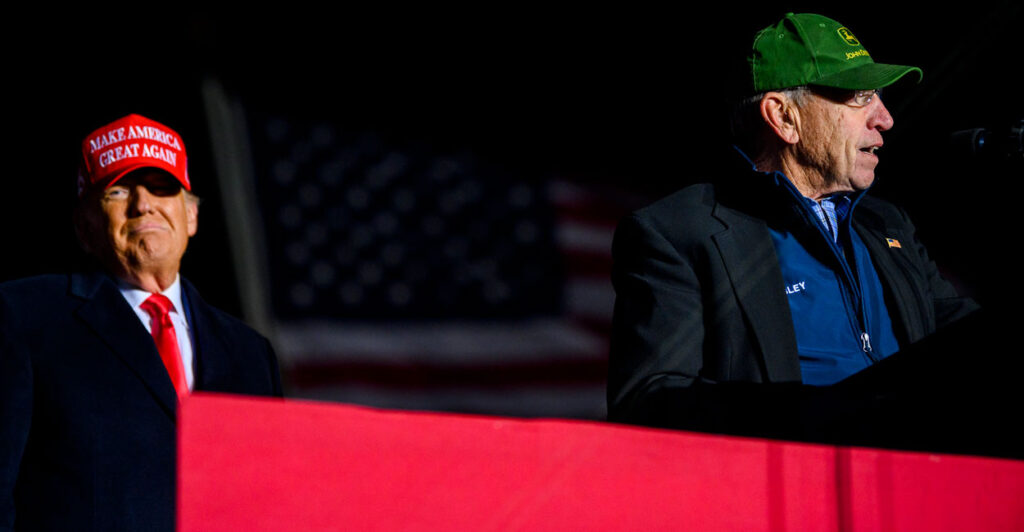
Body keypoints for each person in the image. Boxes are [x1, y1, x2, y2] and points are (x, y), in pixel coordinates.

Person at [607, 13, 978, 432]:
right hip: (794, 467)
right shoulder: (680, 233)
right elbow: (650, 401)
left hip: (917, 464)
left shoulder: (888, 224)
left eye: (879, 96)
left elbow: (966, 343)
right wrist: (834, 412)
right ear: (784, 117)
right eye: (860, 96)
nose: (885, 118)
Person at [0, 113, 282, 531]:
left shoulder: (251, 353)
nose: (143, 203)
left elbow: (268, 500)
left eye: (161, 186)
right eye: (118, 190)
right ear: (84, 226)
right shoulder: (24, 316)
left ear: (191, 216)